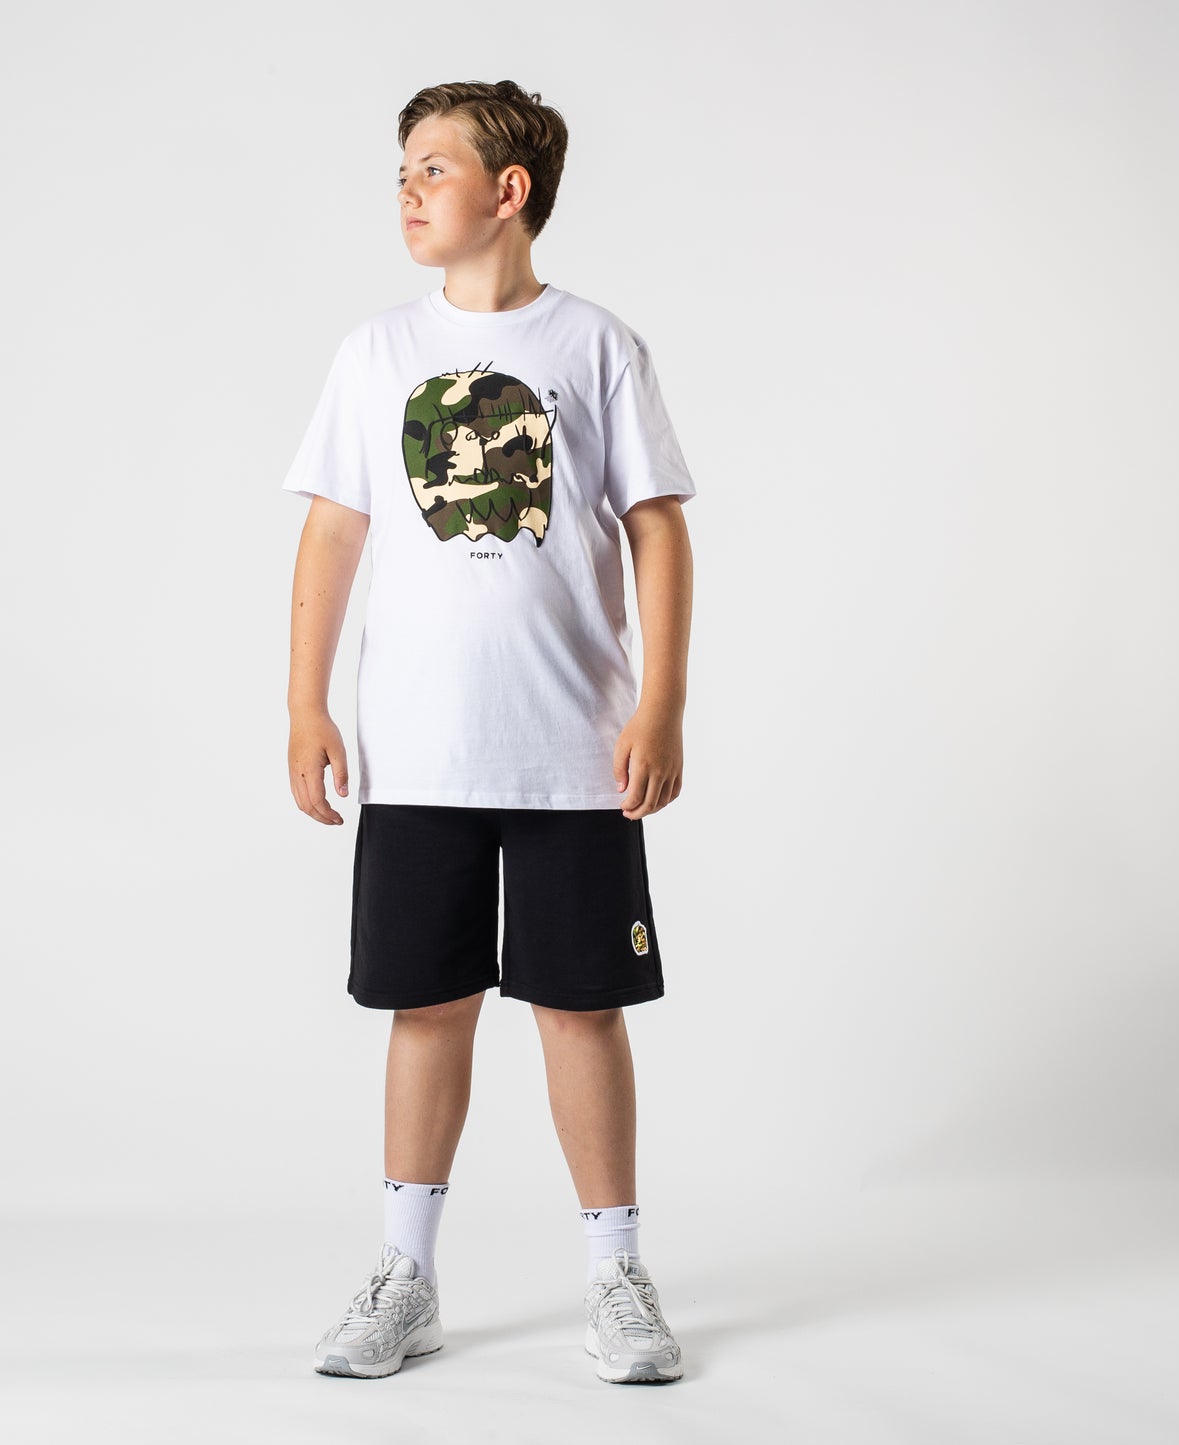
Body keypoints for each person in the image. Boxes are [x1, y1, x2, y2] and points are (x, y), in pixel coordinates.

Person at [282, 79, 696, 1385]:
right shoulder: (375, 353)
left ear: (507, 192)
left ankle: (617, 1274)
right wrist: (304, 701)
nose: (406, 191)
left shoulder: (595, 346)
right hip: (417, 750)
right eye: (401, 170)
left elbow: (656, 528)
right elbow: (333, 531)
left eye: (433, 168)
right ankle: (404, 1275)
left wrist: (661, 701)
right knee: (427, 1005)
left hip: (573, 748)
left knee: (581, 1008)